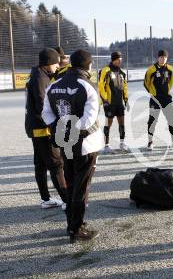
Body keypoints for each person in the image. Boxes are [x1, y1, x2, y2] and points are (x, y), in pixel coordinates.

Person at [42, 49, 103, 243]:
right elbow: (89, 119)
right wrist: (73, 131)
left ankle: (72, 223)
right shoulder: (88, 86)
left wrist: (60, 130)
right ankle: (76, 229)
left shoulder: (54, 86)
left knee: (70, 183)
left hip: (64, 143)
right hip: (85, 145)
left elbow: (46, 114)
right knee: (81, 188)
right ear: (88, 66)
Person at [25, 47, 67, 209]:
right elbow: (44, 105)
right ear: (48, 63)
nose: (57, 66)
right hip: (43, 127)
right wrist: (57, 122)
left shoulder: (38, 75)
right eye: (56, 63)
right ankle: (66, 199)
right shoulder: (41, 79)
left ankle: (46, 199)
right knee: (56, 163)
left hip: (35, 126)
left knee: (41, 163)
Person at [144, 50, 173, 150]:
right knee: (152, 120)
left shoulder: (170, 69)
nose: (163, 59)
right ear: (157, 58)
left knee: (171, 119)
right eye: (161, 57)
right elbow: (146, 83)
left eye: (164, 57)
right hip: (155, 99)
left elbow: (171, 82)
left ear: (166, 58)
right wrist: (153, 93)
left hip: (166, 99)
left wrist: (166, 91)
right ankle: (150, 142)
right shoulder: (151, 69)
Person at [99, 51, 129, 153]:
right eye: (117, 59)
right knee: (108, 124)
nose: (119, 61)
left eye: (120, 59)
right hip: (109, 103)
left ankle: (122, 143)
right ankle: (106, 145)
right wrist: (105, 101)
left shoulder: (122, 73)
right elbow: (101, 87)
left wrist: (126, 100)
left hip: (119, 103)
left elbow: (125, 87)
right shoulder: (105, 70)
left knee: (122, 123)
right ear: (113, 60)